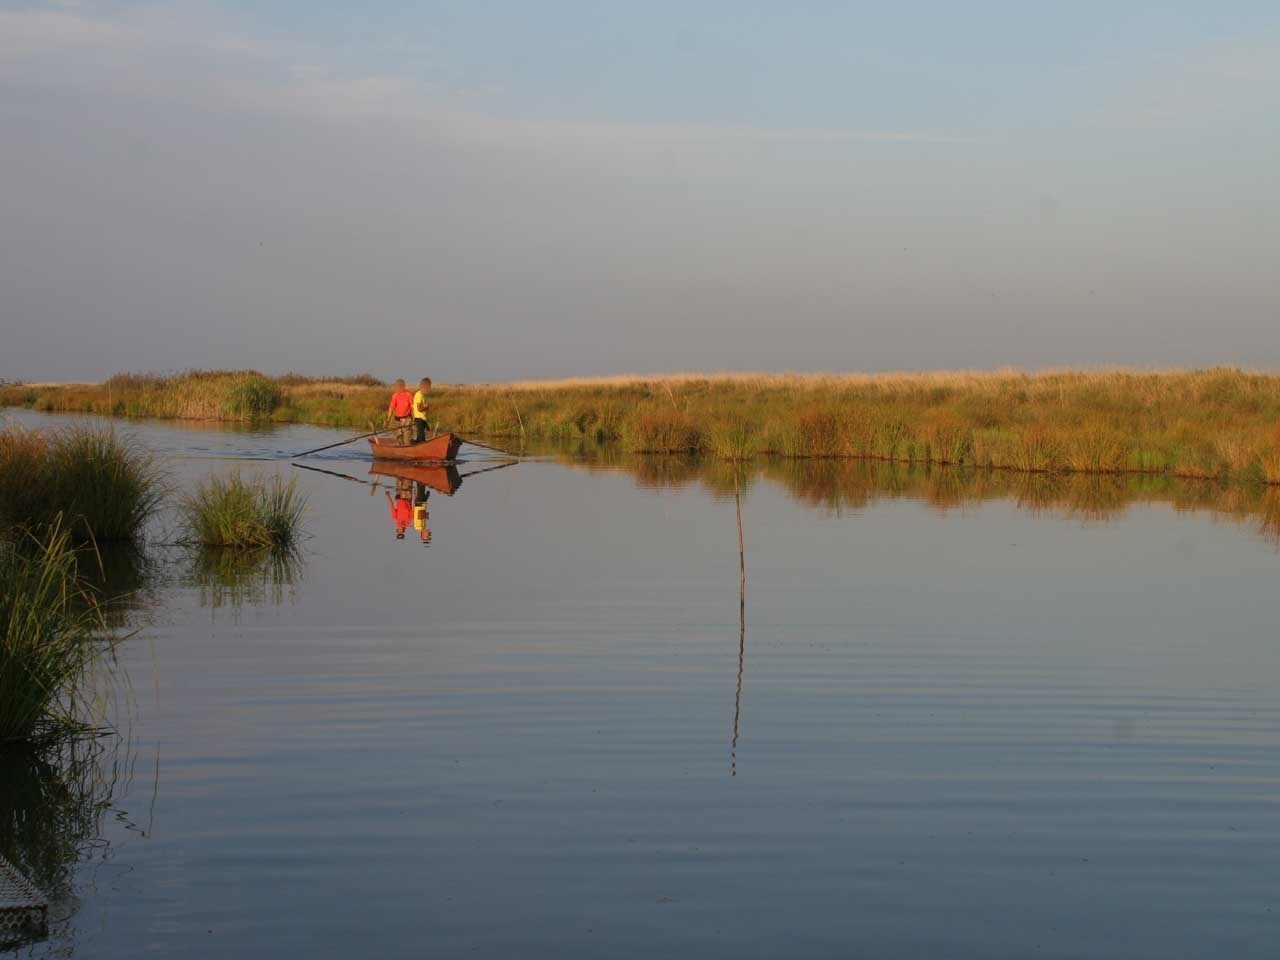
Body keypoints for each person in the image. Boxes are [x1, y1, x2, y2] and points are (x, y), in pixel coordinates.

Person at [385, 379, 414, 445]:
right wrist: (388, 420)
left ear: (402, 387)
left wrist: (415, 419)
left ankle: (408, 449)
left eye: (397, 387)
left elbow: (413, 407)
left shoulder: (408, 395)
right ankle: (400, 451)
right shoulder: (395, 396)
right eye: (395, 387)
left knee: (407, 439)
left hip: (407, 420)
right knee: (399, 438)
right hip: (397, 420)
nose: (395, 388)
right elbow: (391, 409)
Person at [412, 377, 432, 443]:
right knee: (421, 438)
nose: (428, 389)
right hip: (419, 419)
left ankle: (417, 445)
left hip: (422, 419)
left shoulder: (422, 395)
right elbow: (419, 408)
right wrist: (426, 407)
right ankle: (420, 447)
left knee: (421, 436)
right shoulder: (418, 395)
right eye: (427, 387)